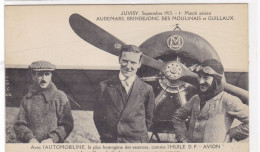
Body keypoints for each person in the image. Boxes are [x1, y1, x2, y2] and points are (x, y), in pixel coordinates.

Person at [172, 59, 249, 143]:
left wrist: (231, 134)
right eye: (199, 77)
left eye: (206, 77)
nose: (201, 81)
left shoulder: (228, 100)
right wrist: (183, 138)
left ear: (216, 79)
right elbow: (178, 116)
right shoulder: (195, 99)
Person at [93, 45, 155, 143]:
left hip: (136, 144)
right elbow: (98, 116)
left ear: (139, 64)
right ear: (119, 60)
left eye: (133, 62)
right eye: (125, 61)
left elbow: (149, 119)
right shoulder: (104, 87)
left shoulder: (147, 89)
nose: (128, 66)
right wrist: (107, 136)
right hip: (111, 142)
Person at [14, 61, 74, 143]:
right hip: (31, 148)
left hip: (54, 148)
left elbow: (67, 125)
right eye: (40, 74)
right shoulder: (27, 99)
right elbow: (19, 125)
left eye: (47, 74)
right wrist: (30, 138)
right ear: (33, 76)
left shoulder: (60, 97)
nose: (44, 78)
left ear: (51, 75)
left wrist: (52, 139)